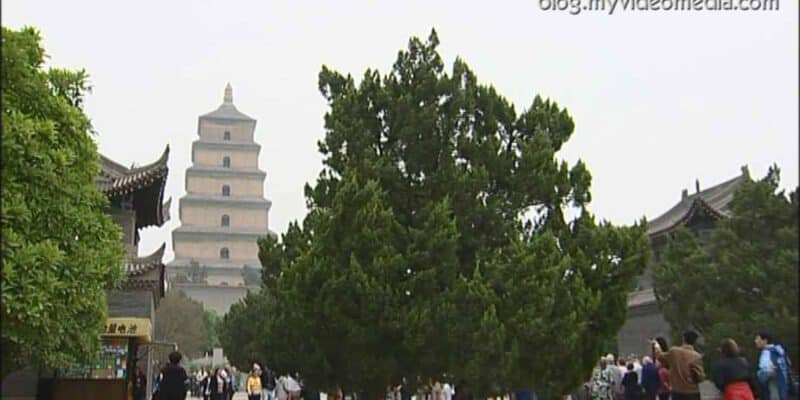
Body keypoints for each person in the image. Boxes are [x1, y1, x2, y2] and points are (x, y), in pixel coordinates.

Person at [653, 330, 706, 400]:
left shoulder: (674, 351)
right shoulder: (697, 356)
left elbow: (660, 356)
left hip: (677, 391)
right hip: (692, 391)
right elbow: (700, 377)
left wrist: (656, 346)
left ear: (683, 339)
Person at [755, 331, 793, 400]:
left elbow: (765, 375)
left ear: (765, 340)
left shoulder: (766, 353)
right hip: (784, 391)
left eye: (757, 339)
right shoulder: (780, 351)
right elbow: (789, 366)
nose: (755, 341)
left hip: (773, 392)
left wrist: (760, 374)